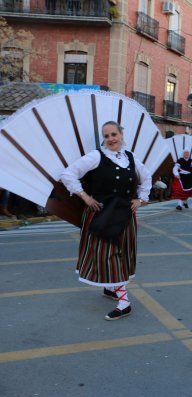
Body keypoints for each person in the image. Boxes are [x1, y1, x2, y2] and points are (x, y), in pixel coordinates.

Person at [60, 121, 151, 320]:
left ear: (121, 134)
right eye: (106, 135)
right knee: (107, 255)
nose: (110, 139)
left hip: (124, 214)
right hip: (100, 213)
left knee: (121, 253)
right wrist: (84, 196)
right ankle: (124, 300)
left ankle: (113, 289)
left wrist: (141, 199)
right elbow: (68, 174)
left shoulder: (131, 157)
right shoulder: (96, 156)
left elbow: (147, 178)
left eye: (113, 134)